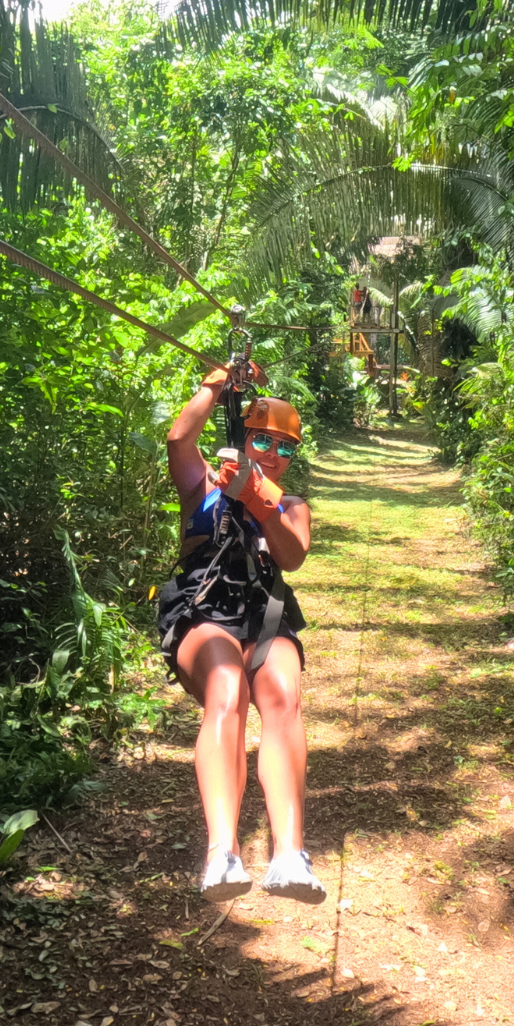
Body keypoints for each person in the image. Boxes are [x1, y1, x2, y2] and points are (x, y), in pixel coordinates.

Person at [158, 363, 323, 904]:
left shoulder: (292, 506)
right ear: (244, 438)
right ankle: (221, 853)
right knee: (227, 690)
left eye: (285, 447)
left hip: (265, 614)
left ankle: (290, 854)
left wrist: (260, 499)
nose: (272, 453)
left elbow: (291, 556)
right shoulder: (203, 485)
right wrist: (216, 383)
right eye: (262, 440)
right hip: (205, 609)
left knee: (282, 696)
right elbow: (179, 439)